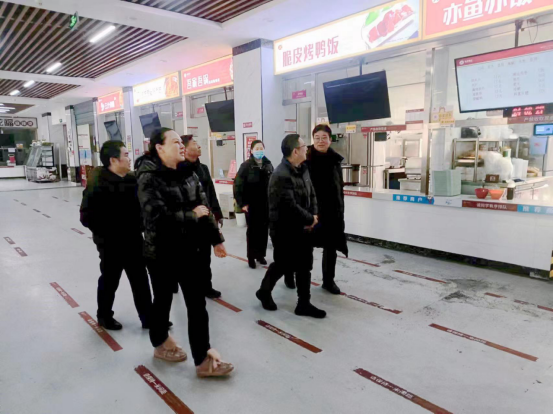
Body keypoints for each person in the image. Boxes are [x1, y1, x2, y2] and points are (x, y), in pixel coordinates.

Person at [137, 127, 234, 378]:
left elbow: (204, 207)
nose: (181, 145)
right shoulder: (148, 178)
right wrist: (191, 215)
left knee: (197, 304)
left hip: (190, 250)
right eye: (175, 142)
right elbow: (156, 218)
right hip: (161, 253)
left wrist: (216, 239)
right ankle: (160, 342)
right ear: (159, 148)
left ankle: (202, 359)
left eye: (181, 142)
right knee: (162, 301)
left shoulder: (190, 173)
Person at [80, 141, 153, 331]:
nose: (129, 159)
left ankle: (148, 318)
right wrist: (107, 234)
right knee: (110, 280)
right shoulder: (97, 184)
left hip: (134, 240)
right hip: (110, 244)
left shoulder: (131, 180)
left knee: (140, 280)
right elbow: (86, 217)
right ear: (113, 160)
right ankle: (104, 316)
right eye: (126, 155)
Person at [256, 134, 326, 319]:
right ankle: (264, 291)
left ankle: (303, 304)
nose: (307, 149)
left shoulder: (303, 168)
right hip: (284, 230)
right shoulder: (280, 175)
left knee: (304, 266)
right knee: (282, 264)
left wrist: (314, 216)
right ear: (295, 151)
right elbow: (290, 207)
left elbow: (312, 194)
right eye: (304, 146)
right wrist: (310, 219)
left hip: (304, 227)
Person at [305, 124, 349, 295]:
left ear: (330, 140)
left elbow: (338, 187)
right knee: (304, 248)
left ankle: (328, 281)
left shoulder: (335, 160)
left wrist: (340, 210)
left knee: (331, 247)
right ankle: (298, 277)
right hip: (311, 212)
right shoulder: (305, 160)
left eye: (324, 138)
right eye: (317, 138)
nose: (320, 141)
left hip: (332, 213)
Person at [180, 135, 223, 299]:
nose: (199, 146)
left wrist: (217, 214)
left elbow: (211, 193)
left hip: (205, 218)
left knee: (205, 257)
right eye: (195, 143)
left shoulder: (203, 168)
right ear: (185, 149)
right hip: (188, 221)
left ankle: (207, 286)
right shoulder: (178, 169)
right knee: (190, 259)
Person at [234, 140, 274, 269]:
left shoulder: (268, 164)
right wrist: (242, 203)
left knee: (263, 231)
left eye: (261, 148)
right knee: (252, 232)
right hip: (251, 204)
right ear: (251, 151)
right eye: (257, 148)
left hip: (265, 204)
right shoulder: (246, 166)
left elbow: (273, 183)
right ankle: (251, 257)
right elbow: (238, 185)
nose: (259, 151)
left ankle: (260, 255)